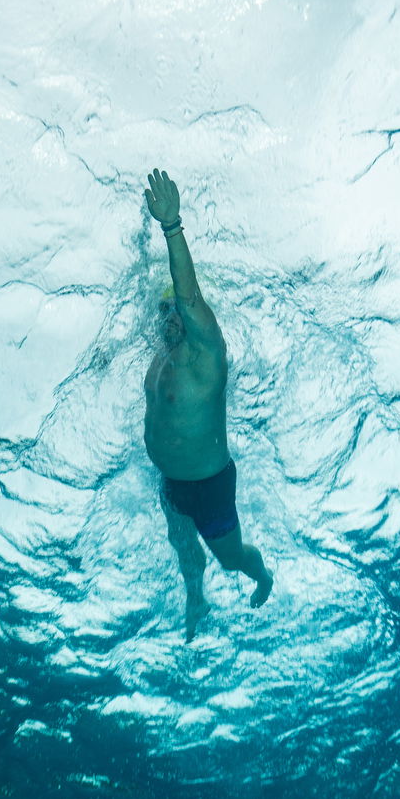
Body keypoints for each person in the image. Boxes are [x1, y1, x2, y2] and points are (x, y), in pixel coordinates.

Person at [142, 168, 273, 637]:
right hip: (170, 480)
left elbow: (187, 289)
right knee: (185, 552)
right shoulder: (160, 357)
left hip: (210, 484)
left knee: (230, 559)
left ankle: (262, 574)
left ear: (189, 315)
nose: (168, 319)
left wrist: (171, 228)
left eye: (175, 311)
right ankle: (196, 604)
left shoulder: (208, 354)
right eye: (163, 313)